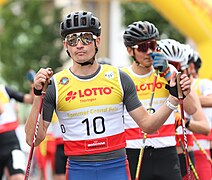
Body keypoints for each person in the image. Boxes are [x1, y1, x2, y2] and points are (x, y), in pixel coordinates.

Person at [25, 11, 191, 180]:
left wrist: (172, 99)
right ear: (66, 45)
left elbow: (148, 126)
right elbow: (33, 140)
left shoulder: (120, 78)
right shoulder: (56, 83)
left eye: (86, 38)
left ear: (97, 41)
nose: (79, 45)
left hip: (115, 167)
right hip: (78, 168)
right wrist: (38, 95)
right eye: (72, 40)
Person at [122, 22, 197, 180]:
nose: (149, 51)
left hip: (166, 150)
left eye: (153, 45)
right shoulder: (121, 77)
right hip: (134, 151)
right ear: (130, 50)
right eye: (143, 47)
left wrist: (168, 74)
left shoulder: (169, 71)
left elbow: (191, 109)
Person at [159, 40, 210, 179]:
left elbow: (205, 127)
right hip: (154, 154)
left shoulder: (187, 87)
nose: (174, 72)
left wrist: (184, 122)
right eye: (169, 66)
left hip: (183, 153)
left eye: (178, 67)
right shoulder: (149, 86)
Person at [0, 84, 33, 180]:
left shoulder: (4, 89)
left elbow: (30, 99)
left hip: (11, 142)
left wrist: (35, 88)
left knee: (18, 177)